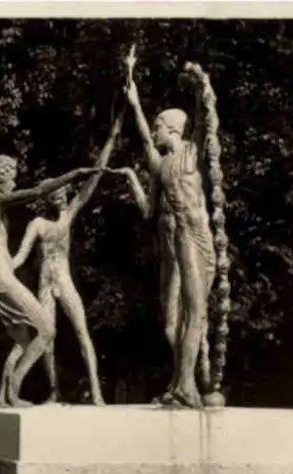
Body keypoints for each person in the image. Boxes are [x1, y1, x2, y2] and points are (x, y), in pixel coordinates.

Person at [112, 49, 220, 408]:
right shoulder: (162, 165)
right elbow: (145, 140)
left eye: (159, 126)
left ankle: (185, 384)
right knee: (179, 319)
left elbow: (204, 122)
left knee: (195, 313)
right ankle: (182, 382)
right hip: (180, 238)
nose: (155, 131)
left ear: (173, 128)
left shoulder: (192, 152)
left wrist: (201, 87)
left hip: (199, 238)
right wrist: (134, 101)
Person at [11, 103, 123, 405]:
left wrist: (112, 138)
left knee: (82, 330)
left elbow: (91, 183)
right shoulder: (38, 224)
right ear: (49, 198)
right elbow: (21, 255)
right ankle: (53, 391)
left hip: (63, 278)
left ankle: (96, 392)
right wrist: (4, 267)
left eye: (62, 193)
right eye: (55, 193)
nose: (60, 196)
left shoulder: (68, 217)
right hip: (45, 283)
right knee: (47, 338)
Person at [0, 153, 104, 406]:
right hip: (3, 279)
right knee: (47, 330)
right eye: (12, 178)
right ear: (0, 178)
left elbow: (9, 254)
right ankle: (14, 391)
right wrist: (74, 174)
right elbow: (37, 192)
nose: (14, 183)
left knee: (24, 340)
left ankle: (3, 395)